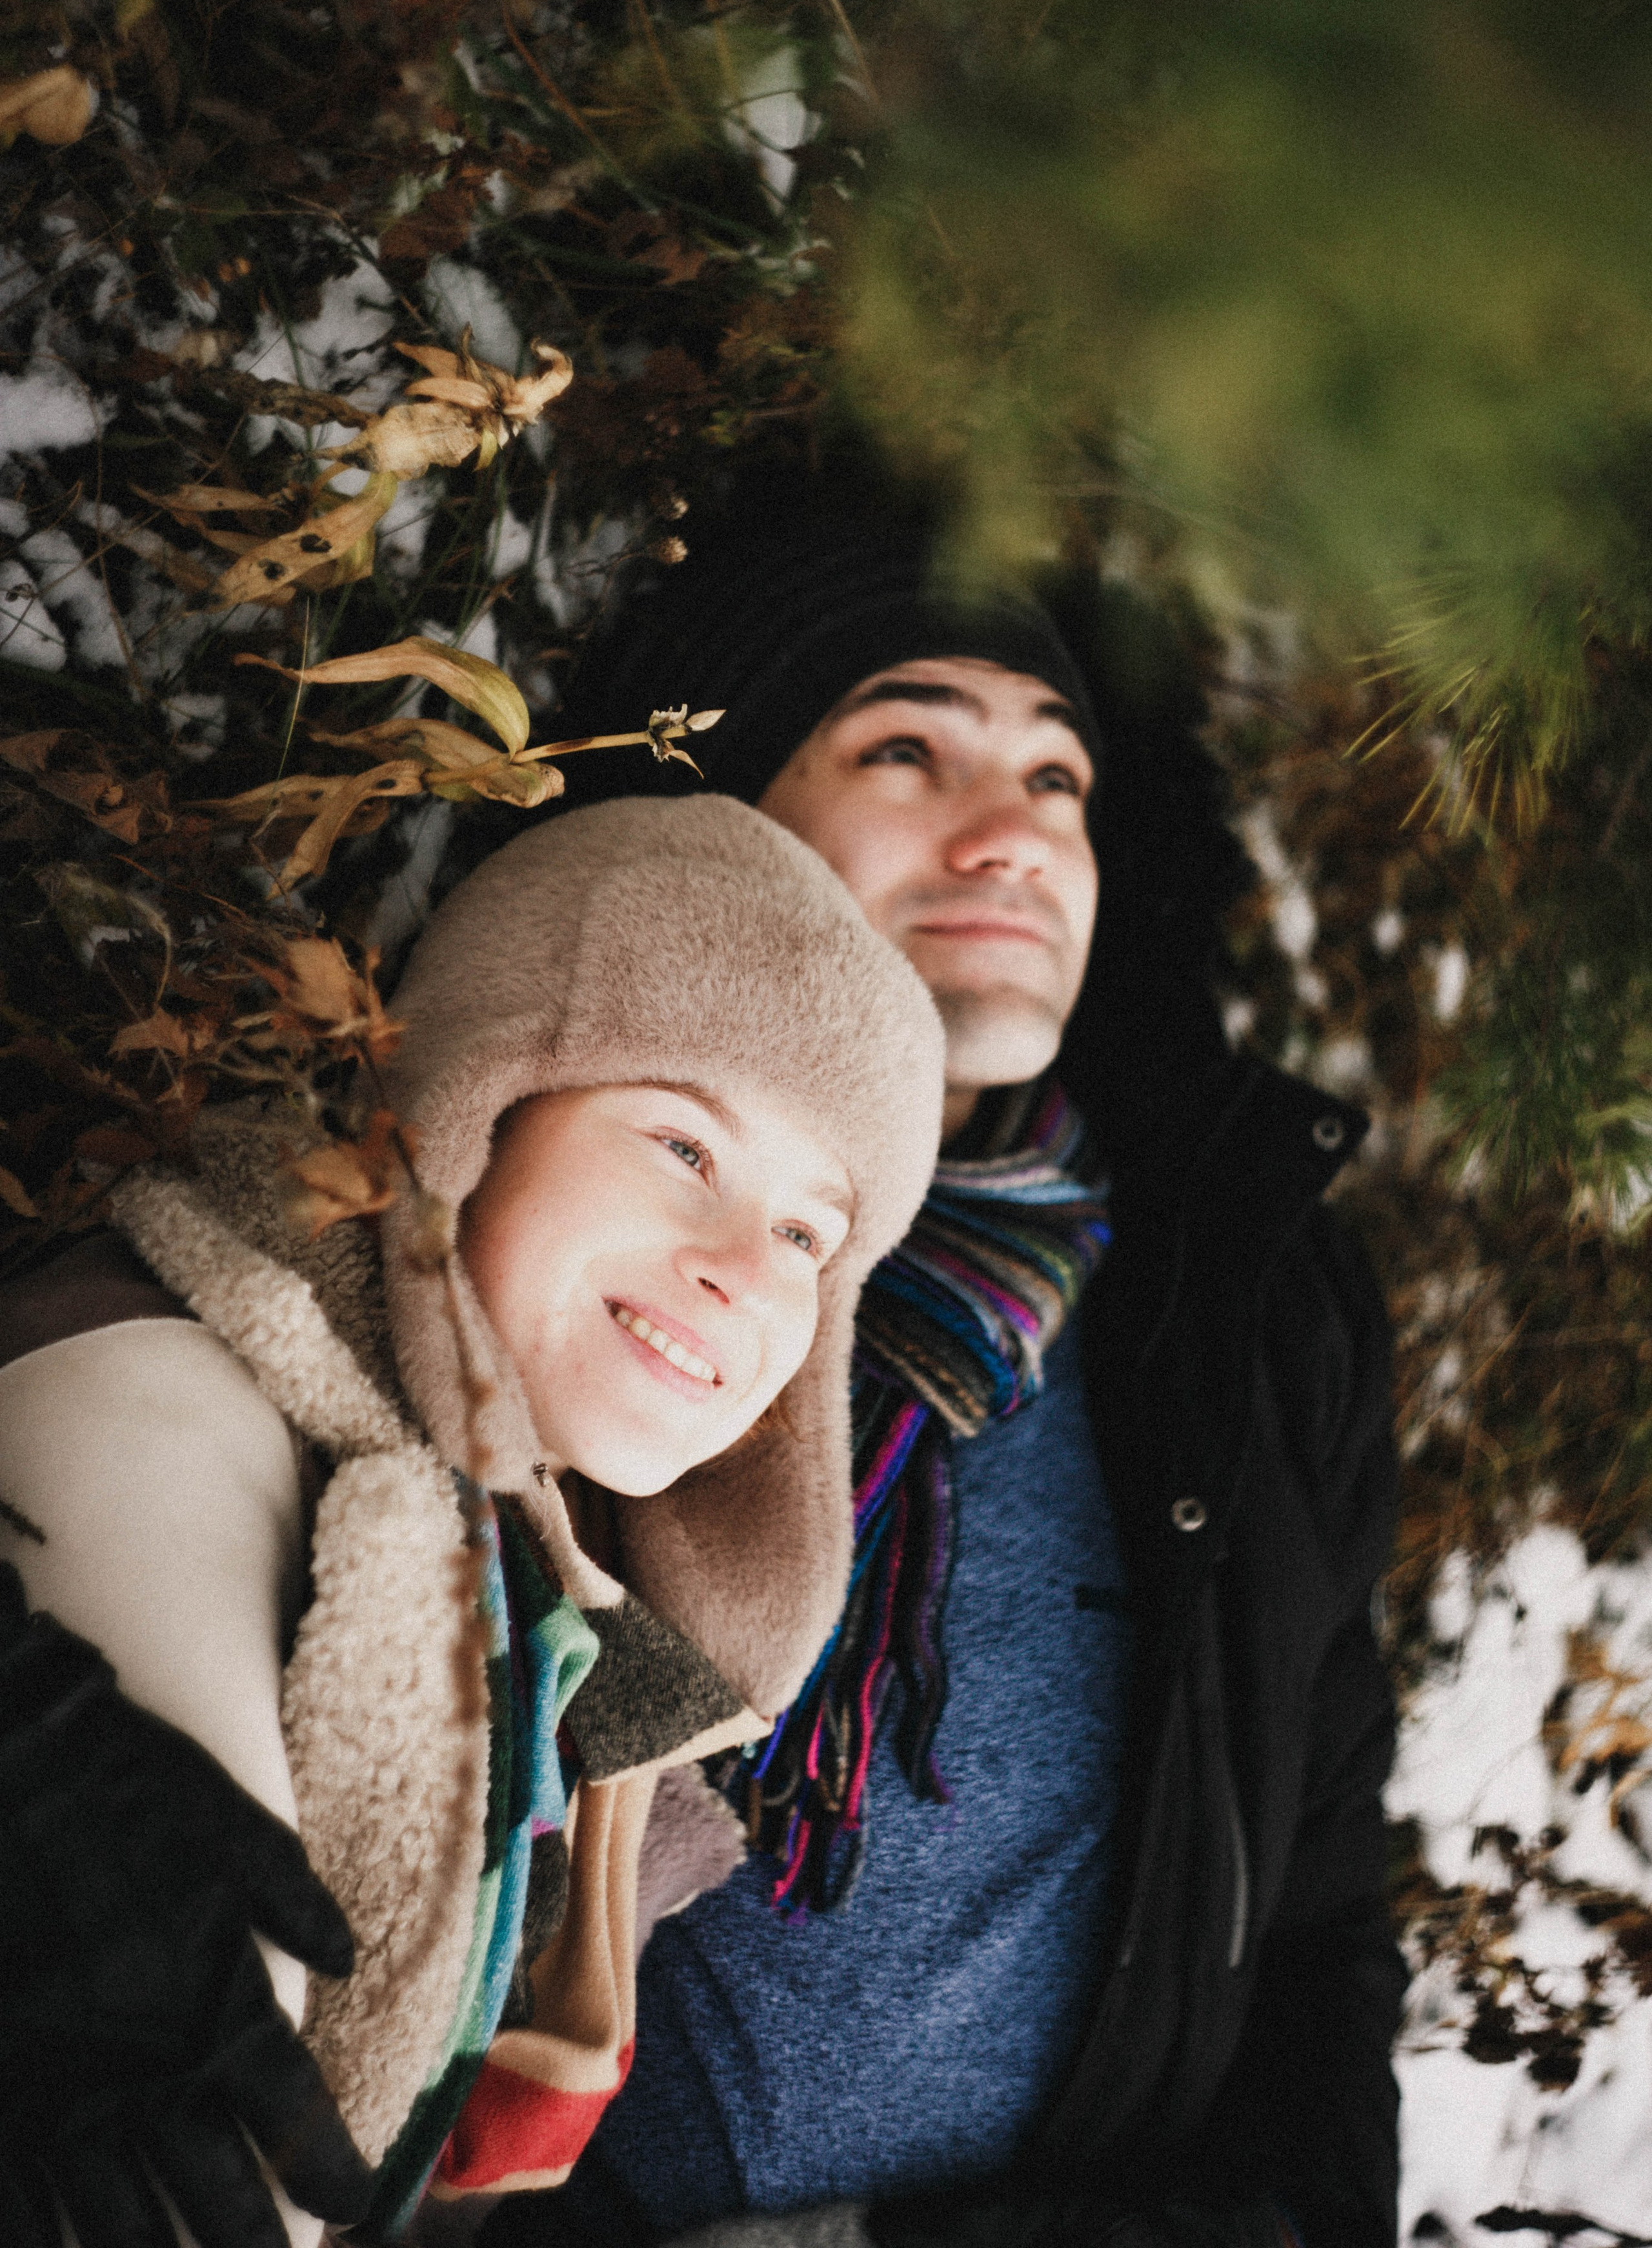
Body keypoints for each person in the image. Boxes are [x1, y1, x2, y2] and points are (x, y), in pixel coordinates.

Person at [463, 487, 1405, 2248]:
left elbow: (1315, 1907)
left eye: (1056, 776)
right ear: (717, 805)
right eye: (907, 749)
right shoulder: (569, 1230)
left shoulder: (1247, 1299)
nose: (1012, 837)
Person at [0, 794, 945, 2245]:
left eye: (808, 1234)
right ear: (473, 1119)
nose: (745, 1272)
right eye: (684, 1147)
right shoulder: (153, 1398)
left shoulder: (577, 1662)